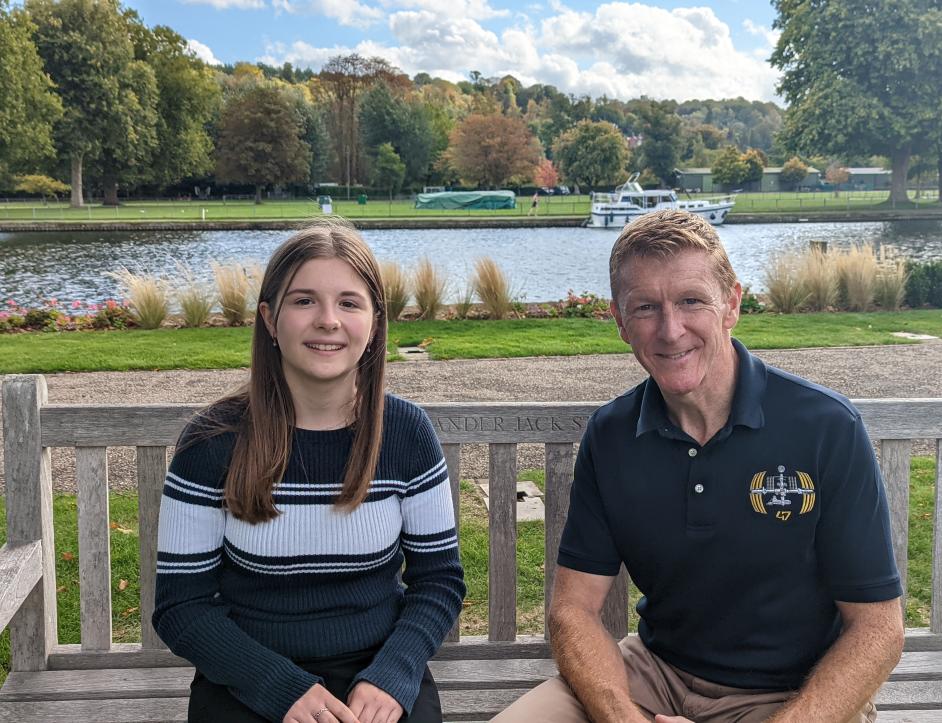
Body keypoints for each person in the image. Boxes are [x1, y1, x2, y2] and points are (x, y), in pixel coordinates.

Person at [494, 210, 903, 723]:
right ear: (620, 323)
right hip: (653, 674)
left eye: (691, 300)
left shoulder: (825, 427)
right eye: (645, 307)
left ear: (731, 304)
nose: (670, 330)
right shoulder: (612, 434)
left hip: (791, 695)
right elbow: (573, 610)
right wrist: (623, 718)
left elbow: (879, 628)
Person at [153, 219, 466, 723]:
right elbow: (181, 606)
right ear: (269, 320)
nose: (328, 320)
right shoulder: (212, 443)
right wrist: (280, 689)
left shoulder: (406, 434)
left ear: (375, 322)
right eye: (303, 301)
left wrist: (393, 675)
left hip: (377, 672)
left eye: (348, 302)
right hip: (248, 673)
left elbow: (439, 582)